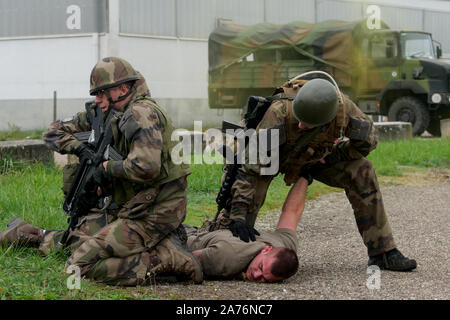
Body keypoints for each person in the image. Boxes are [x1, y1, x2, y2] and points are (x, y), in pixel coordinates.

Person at [1, 57, 202, 285]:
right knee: (78, 239)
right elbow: (52, 133)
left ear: (122, 89)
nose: (97, 101)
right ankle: (31, 234)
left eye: (101, 93)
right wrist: (82, 150)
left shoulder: (141, 114)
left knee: (77, 266)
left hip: (156, 210)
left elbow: (147, 167)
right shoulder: (107, 113)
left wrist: (108, 167)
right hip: (133, 204)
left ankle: (168, 258)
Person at [216, 75, 417, 272]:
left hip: (314, 159)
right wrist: (238, 216)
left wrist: (330, 157)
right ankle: (226, 245)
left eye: (308, 124)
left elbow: (367, 142)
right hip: (271, 159)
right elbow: (251, 167)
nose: (302, 126)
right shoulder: (279, 112)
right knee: (241, 215)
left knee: (362, 170)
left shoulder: (343, 110)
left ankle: (383, 252)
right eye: (300, 120)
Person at [186, 176, 307, 283]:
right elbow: (186, 259)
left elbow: (292, 212)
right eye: (260, 267)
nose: (256, 275)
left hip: (213, 234)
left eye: (264, 279)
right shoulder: (227, 258)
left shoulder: (284, 248)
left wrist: (305, 177)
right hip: (184, 237)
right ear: (267, 250)